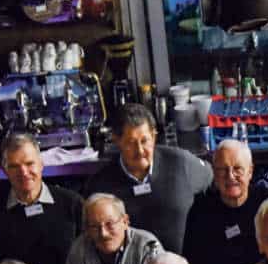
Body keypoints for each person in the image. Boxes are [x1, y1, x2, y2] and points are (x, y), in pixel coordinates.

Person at [84, 102, 212, 253]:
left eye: (144, 141)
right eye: (131, 143)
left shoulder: (180, 162)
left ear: (153, 135)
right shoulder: (100, 185)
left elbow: (214, 181)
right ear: (116, 140)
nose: (140, 151)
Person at [0, 134, 84, 264]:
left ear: (41, 164)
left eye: (29, 164)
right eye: (14, 166)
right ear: (5, 170)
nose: (23, 172)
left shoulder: (72, 203)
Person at [182, 139, 267, 264]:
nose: (230, 177)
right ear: (214, 173)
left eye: (237, 169)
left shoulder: (267, 206)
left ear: (250, 172)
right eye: (222, 170)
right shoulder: (201, 211)